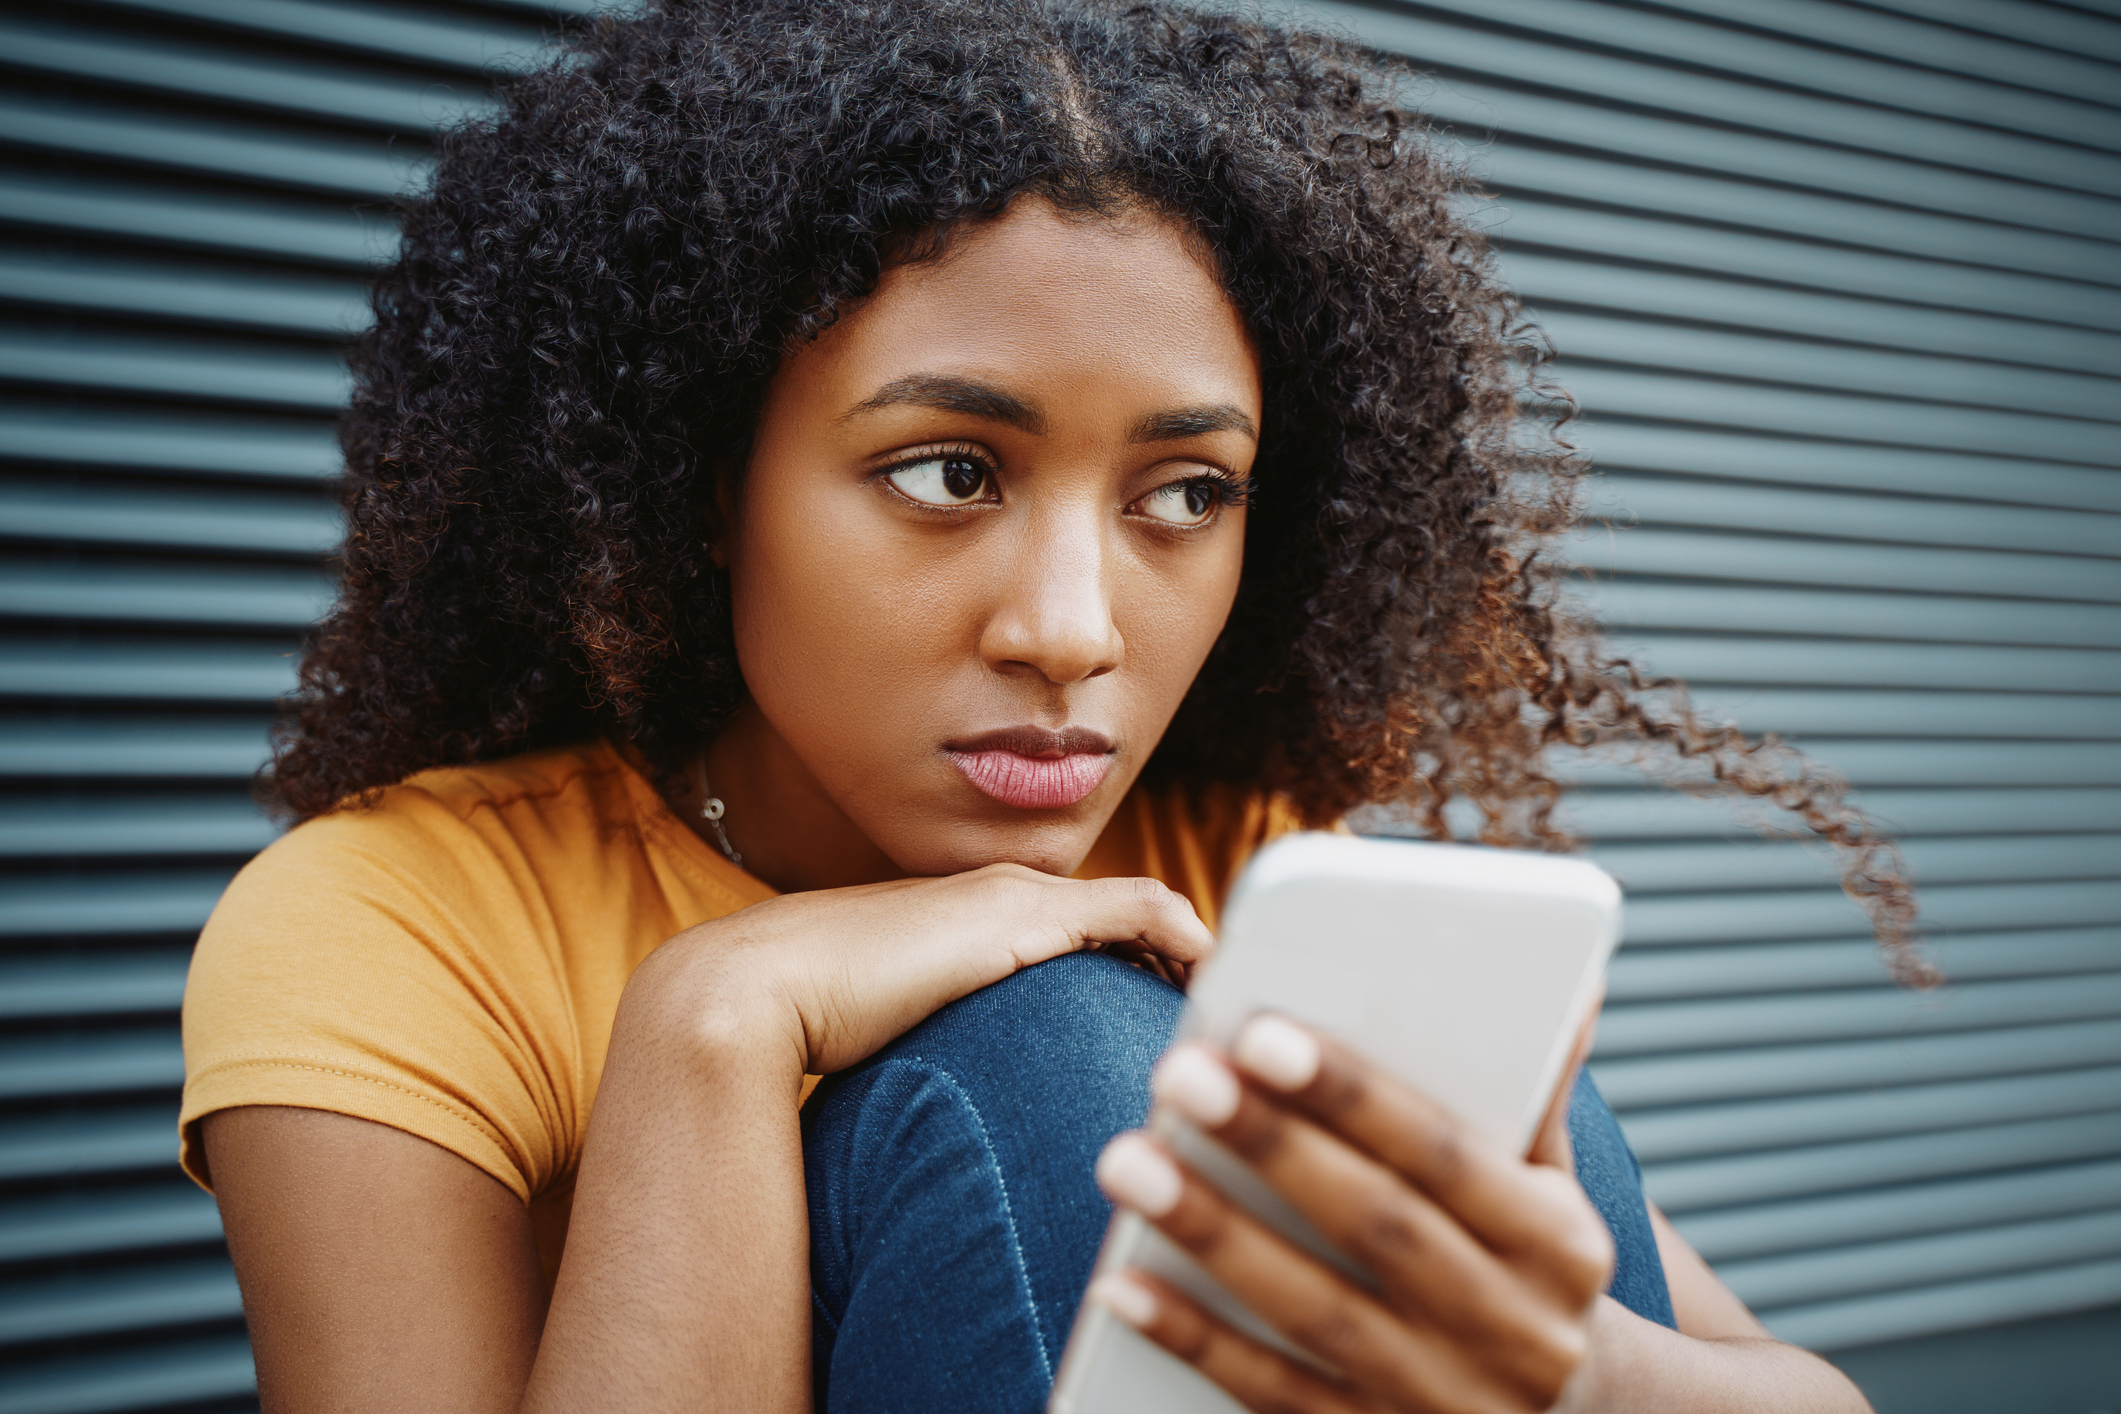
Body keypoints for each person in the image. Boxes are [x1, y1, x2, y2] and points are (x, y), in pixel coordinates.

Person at [179, 1, 1919, 1409]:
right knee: (1052, 1048)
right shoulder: (390, 929)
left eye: (1182, 494)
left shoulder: (1237, 854)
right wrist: (711, 1026)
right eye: (948, 469)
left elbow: (1802, 1393)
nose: (1072, 631)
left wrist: (1582, 1381)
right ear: (708, 483)